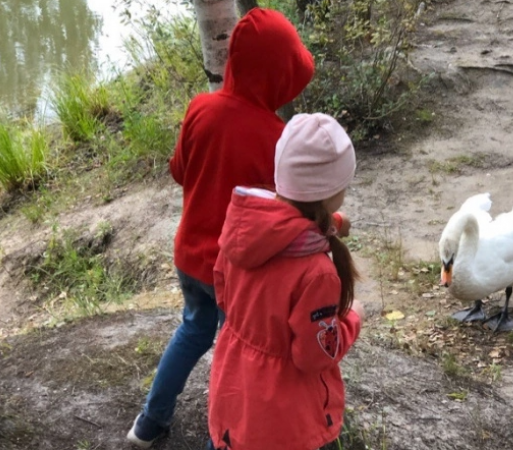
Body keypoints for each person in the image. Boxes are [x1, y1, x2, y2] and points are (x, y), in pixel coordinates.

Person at [128, 9, 350, 448]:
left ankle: (149, 424)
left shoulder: (200, 108)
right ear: (277, 78)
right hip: (240, 271)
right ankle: (225, 439)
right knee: (244, 357)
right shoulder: (276, 138)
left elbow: (179, 171)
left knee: (193, 330)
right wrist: (335, 223)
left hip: (190, 256)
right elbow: (290, 214)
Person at [207, 113, 364, 450]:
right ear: (330, 193)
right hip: (281, 417)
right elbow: (315, 355)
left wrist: (333, 222)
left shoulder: (242, 230)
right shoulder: (317, 273)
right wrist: (350, 320)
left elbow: (222, 289)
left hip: (234, 389)